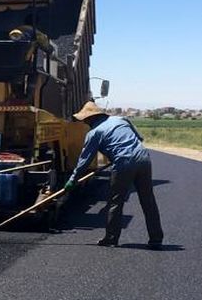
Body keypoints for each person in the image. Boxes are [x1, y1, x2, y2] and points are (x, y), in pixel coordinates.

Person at [65, 100, 164, 247]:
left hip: (123, 163)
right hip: (144, 159)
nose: (85, 123)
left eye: (85, 120)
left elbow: (84, 162)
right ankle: (156, 239)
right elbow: (139, 139)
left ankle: (111, 238)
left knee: (115, 202)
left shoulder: (94, 133)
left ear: (90, 118)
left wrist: (72, 180)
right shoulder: (121, 119)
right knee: (148, 200)